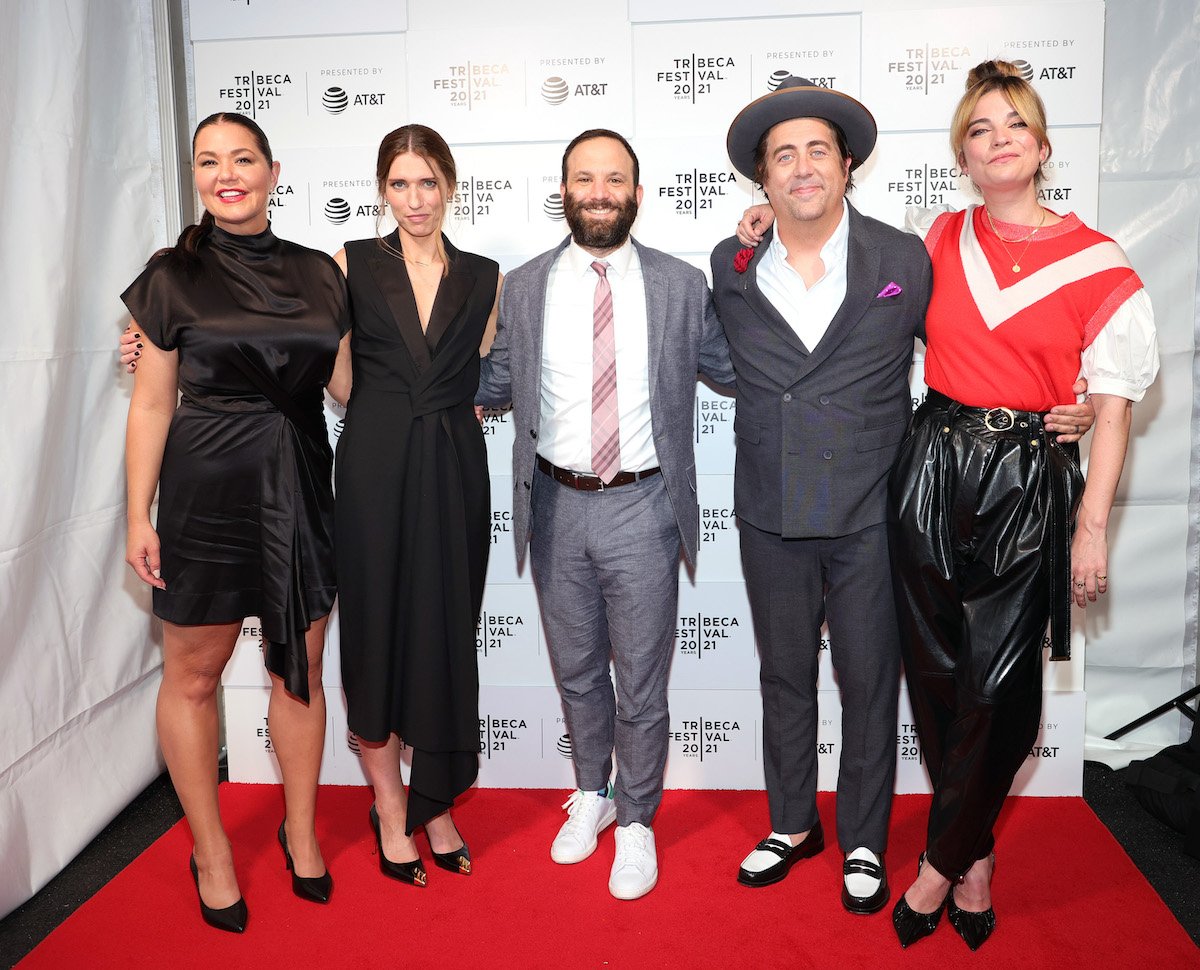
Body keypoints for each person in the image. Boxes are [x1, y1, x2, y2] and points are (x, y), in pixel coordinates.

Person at [722, 79, 1096, 915]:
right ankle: (791, 823)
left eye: (818, 149)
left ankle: (861, 837)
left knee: (868, 682)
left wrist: (1060, 400)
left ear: (848, 164)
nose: (803, 166)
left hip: (872, 511)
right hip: (768, 507)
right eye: (784, 155)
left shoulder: (905, 257)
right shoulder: (732, 260)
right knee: (783, 676)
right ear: (764, 181)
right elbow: (724, 359)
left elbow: (981, 342)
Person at [884, 60, 1157, 950]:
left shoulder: (1098, 261)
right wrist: (772, 229)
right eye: (978, 129)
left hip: (1025, 476)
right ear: (963, 156)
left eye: (1013, 125)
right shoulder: (936, 238)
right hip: (931, 463)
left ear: (1042, 147)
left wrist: (1091, 528)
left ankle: (939, 862)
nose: (997, 139)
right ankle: (978, 859)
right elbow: (859, 296)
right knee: (933, 671)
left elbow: (1111, 412)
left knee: (1000, 688)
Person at [475, 129, 736, 900]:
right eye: (584, 178)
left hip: (646, 506)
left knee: (641, 683)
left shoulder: (681, 285)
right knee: (579, 674)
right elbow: (488, 380)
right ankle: (592, 793)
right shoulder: (521, 288)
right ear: (563, 190)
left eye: (613, 178)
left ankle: (637, 821)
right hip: (554, 504)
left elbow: (738, 367)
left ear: (637, 193)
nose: (598, 190)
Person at [123, 112, 347, 932]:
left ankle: (299, 829)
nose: (228, 173)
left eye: (243, 158)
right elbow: (150, 403)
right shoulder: (168, 276)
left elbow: (349, 388)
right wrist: (135, 516)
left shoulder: (325, 272)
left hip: (299, 485)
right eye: (210, 161)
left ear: (273, 169)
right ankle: (210, 848)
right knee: (193, 674)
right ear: (195, 176)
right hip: (203, 493)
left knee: (302, 672)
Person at [331, 125, 499, 886]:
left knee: (441, 629)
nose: (415, 199)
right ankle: (392, 807)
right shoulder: (353, 264)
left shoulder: (484, 275)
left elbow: (485, 371)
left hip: (454, 469)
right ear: (381, 190)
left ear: (450, 186)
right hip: (374, 463)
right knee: (377, 630)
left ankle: (435, 803)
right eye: (399, 184)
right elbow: (336, 378)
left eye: (427, 182)